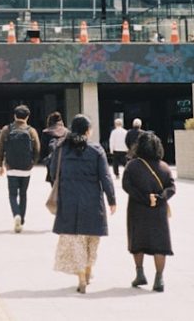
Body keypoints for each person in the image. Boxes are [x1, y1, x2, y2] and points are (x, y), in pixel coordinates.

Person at [48, 114, 116, 294]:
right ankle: (88, 270)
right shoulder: (96, 150)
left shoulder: (61, 148)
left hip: (69, 200)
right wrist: (112, 200)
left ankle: (81, 278)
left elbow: (53, 172)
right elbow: (106, 177)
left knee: (76, 240)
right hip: (93, 202)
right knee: (92, 239)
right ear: (87, 130)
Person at [122, 131, 176, 292]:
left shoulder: (132, 165)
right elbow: (172, 187)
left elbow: (127, 186)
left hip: (137, 209)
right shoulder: (164, 167)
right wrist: (160, 198)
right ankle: (159, 278)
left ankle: (140, 274)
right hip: (158, 211)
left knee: (137, 241)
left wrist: (144, 198)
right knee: (160, 244)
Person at [0, 105, 41, 233]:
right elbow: (37, 149)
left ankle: (16, 214)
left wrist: (0, 165)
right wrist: (33, 163)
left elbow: (0, 148)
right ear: (27, 117)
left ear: (15, 116)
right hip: (26, 168)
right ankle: (21, 220)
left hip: (11, 167)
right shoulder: (31, 131)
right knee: (23, 194)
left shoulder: (7, 129)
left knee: (12, 194)